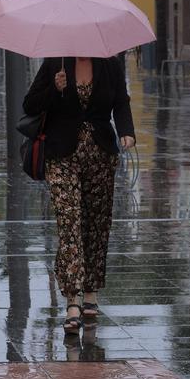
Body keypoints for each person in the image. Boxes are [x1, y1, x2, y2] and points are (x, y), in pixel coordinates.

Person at [22, 55, 136, 334]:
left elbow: (121, 101)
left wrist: (127, 132)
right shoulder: (55, 63)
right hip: (61, 155)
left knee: (96, 225)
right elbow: (30, 105)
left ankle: (90, 293)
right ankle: (72, 300)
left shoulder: (109, 64)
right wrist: (54, 88)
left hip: (100, 155)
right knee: (69, 223)